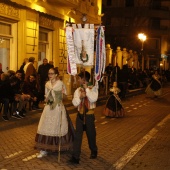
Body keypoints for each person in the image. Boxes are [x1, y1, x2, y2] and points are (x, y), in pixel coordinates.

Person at [35, 68, 75, 158]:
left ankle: (56, 146)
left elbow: (66, 96)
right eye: (49, 73)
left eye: (52, 73)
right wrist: (46, 99)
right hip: (48, 108)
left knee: (56, 127)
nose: (50, 75)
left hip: (57, 108)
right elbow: (46, 95)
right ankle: (43, 149)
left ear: (56, 74)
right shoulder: (47, 84)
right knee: (45, 126)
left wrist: (62, 95)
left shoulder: (60, 84)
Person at [69, 71, 98, 164]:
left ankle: (93, 150)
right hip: (80, 116)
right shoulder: (78, 90)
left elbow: (93, 99)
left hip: (89, 115)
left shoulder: (93, 88)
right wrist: (80, 97)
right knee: (78, 136)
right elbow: (74, 103)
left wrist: (87, 90)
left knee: (91, 135)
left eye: (79, 78)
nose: (78, 80)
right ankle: (75, 157)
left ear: (84, 80)